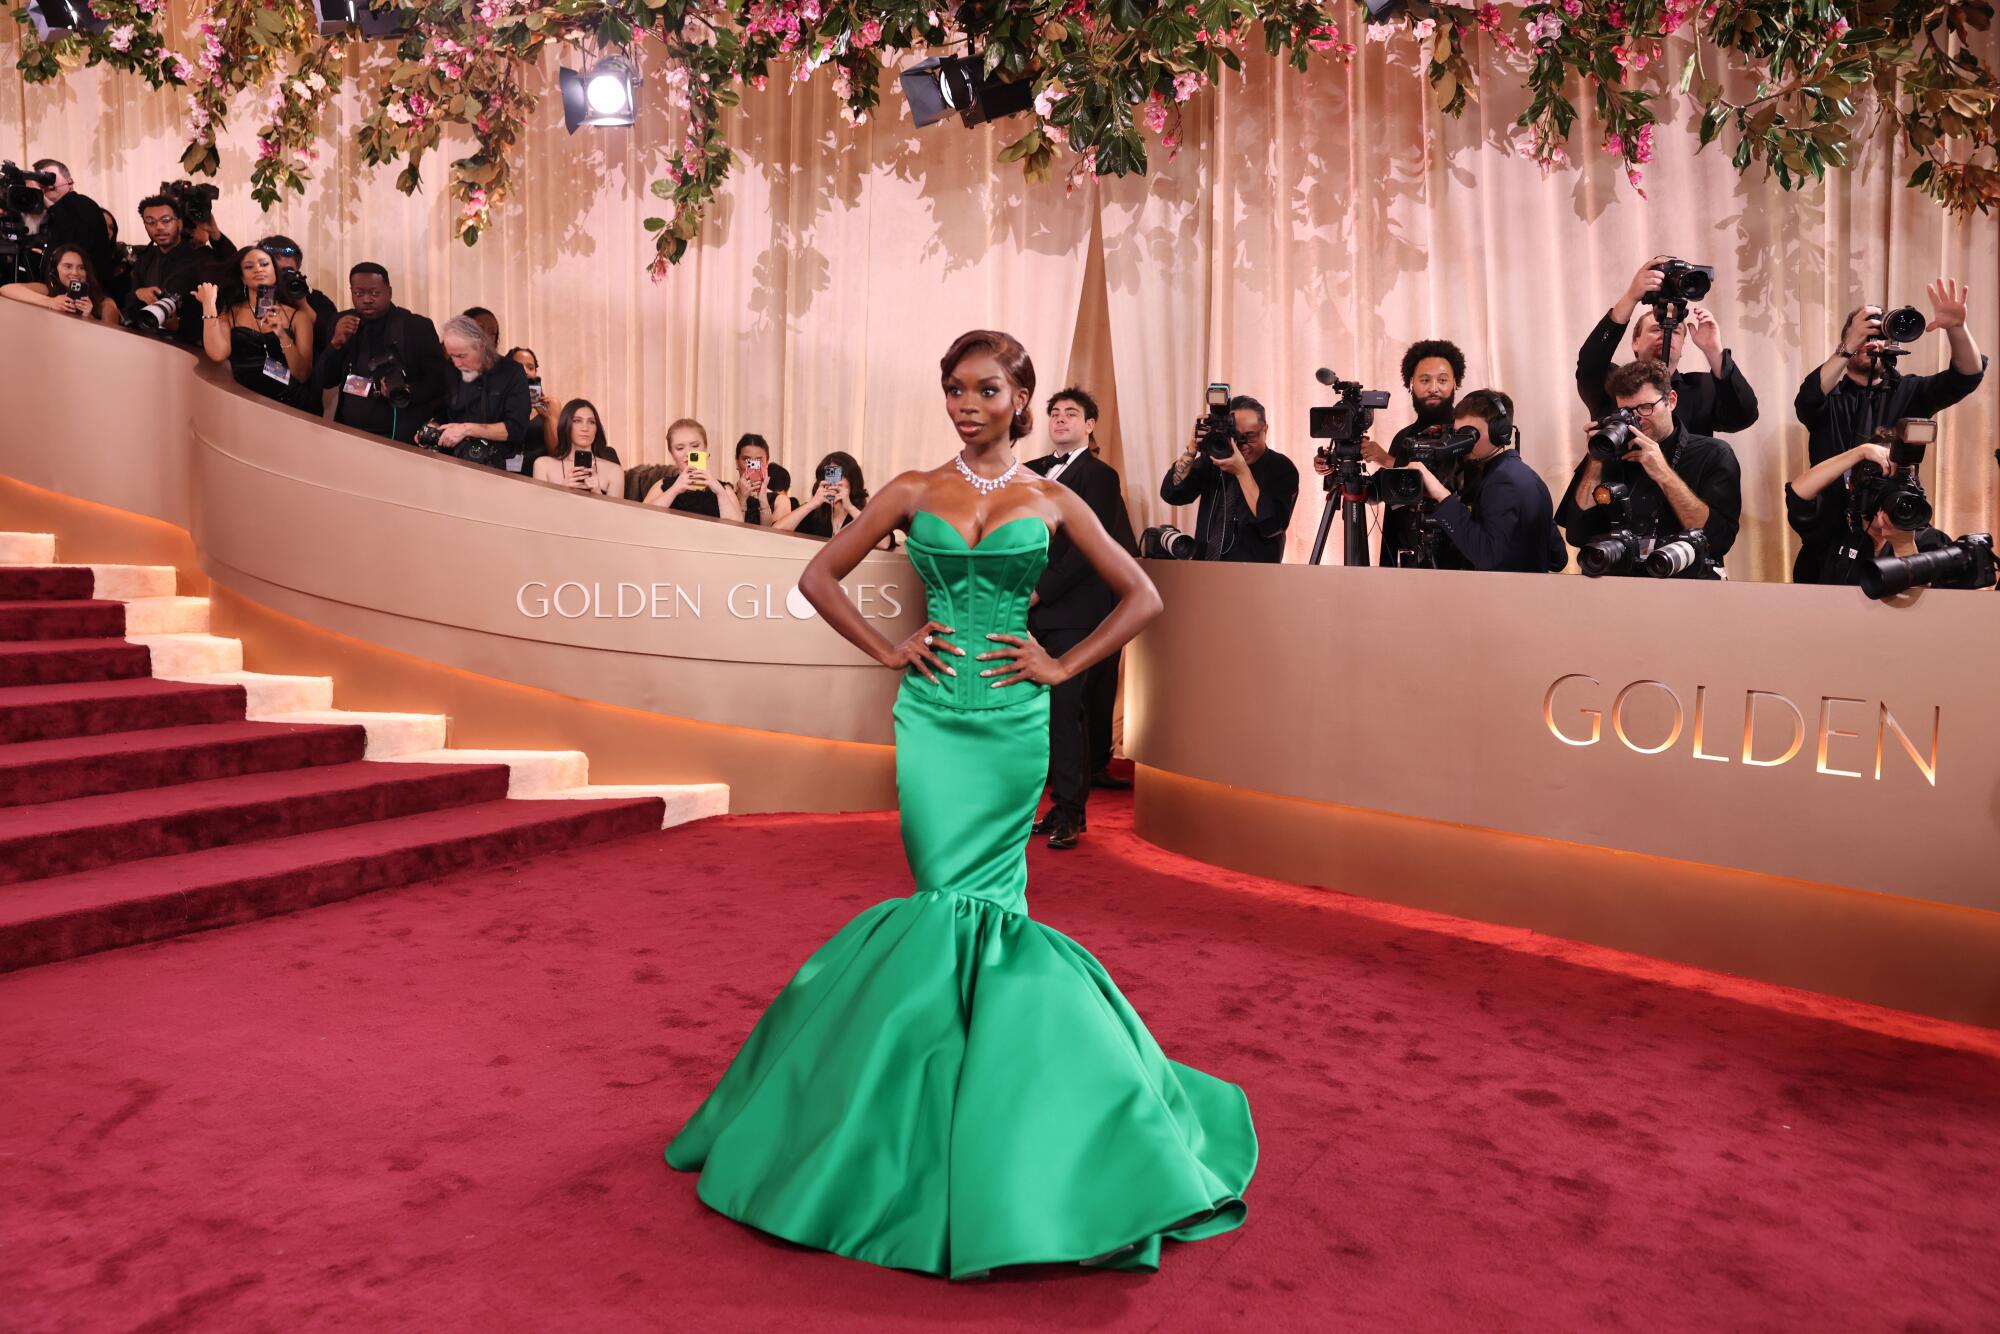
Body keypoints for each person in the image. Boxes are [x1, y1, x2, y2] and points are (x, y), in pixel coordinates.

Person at [663, 327, 1255, 1280]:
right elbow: (816, 575)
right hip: (934, 720)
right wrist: (889, 647)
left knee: (987, 914)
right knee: (940, 903)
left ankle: (1005, 1127)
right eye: (952, 389)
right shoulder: (908, 489)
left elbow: (1143, 596)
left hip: (1014, 726)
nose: (965, 405)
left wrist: (1061, 666)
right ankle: (916, 1126)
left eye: (984, 390)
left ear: (1021, 398)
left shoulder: (1055, 499)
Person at [1024, 386, 1138, 849]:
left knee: (1066, 706)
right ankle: (1032, 805)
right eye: (1054, 413)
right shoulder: (1027, 473)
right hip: (1024, 607)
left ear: (1090, 425)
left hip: (1073, 608)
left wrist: (1041, 589)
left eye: (1071, 413)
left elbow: (1093, 550)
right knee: (1031, 712)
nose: (1060, 419)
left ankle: (1070, 811)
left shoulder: (1101, 476)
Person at [1558, 360, 1742, 578]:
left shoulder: (1713, 454)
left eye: (1645, 408)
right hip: (1617, 588)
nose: (1638, 420)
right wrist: (1596, 459)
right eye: (1626, 412)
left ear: (1671, 401)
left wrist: (1663, 473)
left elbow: (1717, 540)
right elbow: (1578, 534)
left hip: (1687, 589)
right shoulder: (1610, 455)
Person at [1794, 281, 1985, 464]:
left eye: (1880, 337)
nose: (1872, 342)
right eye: (1864, 337)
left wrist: (1957, 328)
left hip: (1893, 496)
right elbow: (1807, 399)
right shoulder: (1829, 397)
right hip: (1834, 498)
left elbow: (1966, 377)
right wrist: (1851, 343)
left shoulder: (1910, 391)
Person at [1576, 255, 1759, 435]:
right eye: (1656, 329)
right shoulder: (1613, 384)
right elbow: (1589, 364)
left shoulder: (1702, 389)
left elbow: (1743, 416)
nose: (1666, 334)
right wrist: (1631, 297)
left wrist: (1714, 352)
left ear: (1683, 345)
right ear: (1635, 342)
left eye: (1676, 332)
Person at [1390, 389, 1565, 573]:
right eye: (1457, 434)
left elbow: (1487, 557)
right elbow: (1558, 557)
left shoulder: (1502, 482)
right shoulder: (1530, 477)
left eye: (1470, 435)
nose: (1461, 444)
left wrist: (1441, 494)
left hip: (1506, 598)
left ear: (1500, 433)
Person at [1345, 339, 1469, 568]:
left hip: (1454, 559)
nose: (1434, 387)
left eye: (1442, 380)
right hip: (1402, 555)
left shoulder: (1465, 436)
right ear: (1411, 383)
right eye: (1425, 380)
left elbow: (1448, 489)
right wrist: (1345, 470)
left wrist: (1388, 460)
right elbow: (1382, 493)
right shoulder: (1404, 438)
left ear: (1455, 384)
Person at [1786, 426, 1952, 585]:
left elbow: (1932, 608)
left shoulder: (1930, 542)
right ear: (1853, 487)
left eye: (1895, 490)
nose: (1886, 501)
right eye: (1878, 488)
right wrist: (1860, 453)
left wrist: (1904, 546)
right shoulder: (1833, 531)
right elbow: (1797, 494)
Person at [315, 263, 452, 444]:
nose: (366, 299)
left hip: (400, 434)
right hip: (348, 433)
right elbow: (325, 380)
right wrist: (335, 344)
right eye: (358, 293)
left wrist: (408, 392)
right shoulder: (341, 322)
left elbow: (439, 381)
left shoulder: (416, 327)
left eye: (374, 293)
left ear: (389, 291)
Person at [1159, 393, 1298, 562]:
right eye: (1235, 436)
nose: (1241, 444)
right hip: (1205, 568)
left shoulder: (1281, 468)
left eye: (1250, 435)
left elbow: (1272, 525)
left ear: (1265, 430)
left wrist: (1242, 472)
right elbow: (1171, 494)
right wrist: (1191, 450)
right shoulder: (1214, 459)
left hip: (1256, 575)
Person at [193, 246, 316, 408]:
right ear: (242, 277)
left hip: (292, 404)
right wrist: (208, 304)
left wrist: (282, 334)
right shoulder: (230, 313)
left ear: (275, 271)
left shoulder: (298, 317)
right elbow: (218, 354)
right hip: (245, 402)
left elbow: (302, 374)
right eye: (249, 267)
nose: (258, 269)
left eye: (264, 264)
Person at [428, 314, 532, 468]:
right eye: (452, 356)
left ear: (480, 346)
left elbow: (516, 428)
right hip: (451, 461)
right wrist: (434, 427)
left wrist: (466, 429)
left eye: (462, 356)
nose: (456, 363)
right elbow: (445, 411)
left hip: (495, 465)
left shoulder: (511, 372)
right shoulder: (451, 369)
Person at [30, 160, 117, 300]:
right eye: (42, 180)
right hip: (60, 295)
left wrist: (44, 200)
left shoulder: (82, 204)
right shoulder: (53, 213)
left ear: (69, 181)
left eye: (51, 177)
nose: (47, 184)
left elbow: (74, 240)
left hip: (88, 297)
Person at [126, 192, 206, 336]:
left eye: (166, 220)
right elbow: (129, 305)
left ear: (179, 223)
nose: (159, 227)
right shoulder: (145, 258)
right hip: (147, 336)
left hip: (188, 342)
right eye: (151, 222)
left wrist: (179, 326)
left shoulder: (199, 257)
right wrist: (138, 293)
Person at [774, 450, 893, 544]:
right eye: (829, 476)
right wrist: (811, 505)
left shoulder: (865, 510)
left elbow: (884, 542)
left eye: (840, 476)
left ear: (852, 480)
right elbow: (776, 531)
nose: (834, 482)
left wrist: (850, 508)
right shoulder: (817, 511)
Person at [258, 234, 338, 366]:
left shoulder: (317, 300)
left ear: (298, 271)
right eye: (274, 269)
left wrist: (302, 303)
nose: (279, 276)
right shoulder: (255, 297)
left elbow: (330, 342)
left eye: (287, 271)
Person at [643, 419, 746, 521]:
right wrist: (674, 489)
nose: (688, 452)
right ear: (672, 454)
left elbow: (737, 528)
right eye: (680, 448)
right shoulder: (662, 486)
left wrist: (719, 492)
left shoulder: (725, 490)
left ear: (705, 448)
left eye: (695, 446)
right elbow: (643, 519)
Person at [0, 242, 119, 325]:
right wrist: (50, 302)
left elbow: (110, 342)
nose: (75, 272)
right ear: (54, 269)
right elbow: (7, 289)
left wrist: (88, 317)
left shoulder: (104, 303)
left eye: (81, 268)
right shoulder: (49, 290)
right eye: (68, 266)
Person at [531, 399, 624, 497]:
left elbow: (615, 512)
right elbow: (540, 509)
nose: (585, 428)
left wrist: (597, 493)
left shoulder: (615, 471)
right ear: (566, 425)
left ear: (597, 429)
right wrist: (561, 491)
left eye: (591, 422)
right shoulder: (543, 465)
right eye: (577, 421)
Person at [505, 346, 558, 467]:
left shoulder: (551, 404)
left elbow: (556, 453)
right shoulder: (499, 404)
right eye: (519, 366)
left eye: (530, 368)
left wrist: (547, 418)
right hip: (504, 474)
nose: (526, 371)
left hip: (539, 475)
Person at [734, 433, 789, 526]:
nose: (753, 466)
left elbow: (771, 538)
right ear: (737, 462)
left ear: (767, 462)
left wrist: (763, 500)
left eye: (758, 461)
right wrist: (742, 499)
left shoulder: (780, 501)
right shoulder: (726, 495)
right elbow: (731, 533)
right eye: (747, 460)